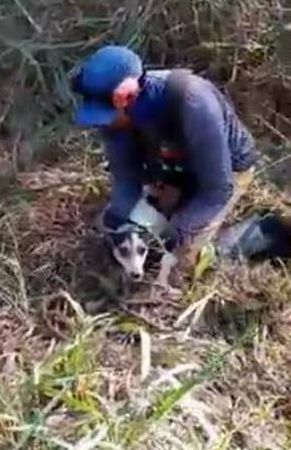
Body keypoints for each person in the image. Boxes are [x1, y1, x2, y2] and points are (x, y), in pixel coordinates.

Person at [70, 45, 259, 290]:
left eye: (107, 117)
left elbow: (217, 189)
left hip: (223, 172)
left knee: (179, 264)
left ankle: (256, 234)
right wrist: (121, 218)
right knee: (117, 220)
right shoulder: (116, 119)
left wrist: (177, 232)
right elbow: (126, 176)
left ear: (127, 98)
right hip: (173, 169)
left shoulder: (192, 102)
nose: (105, 126)